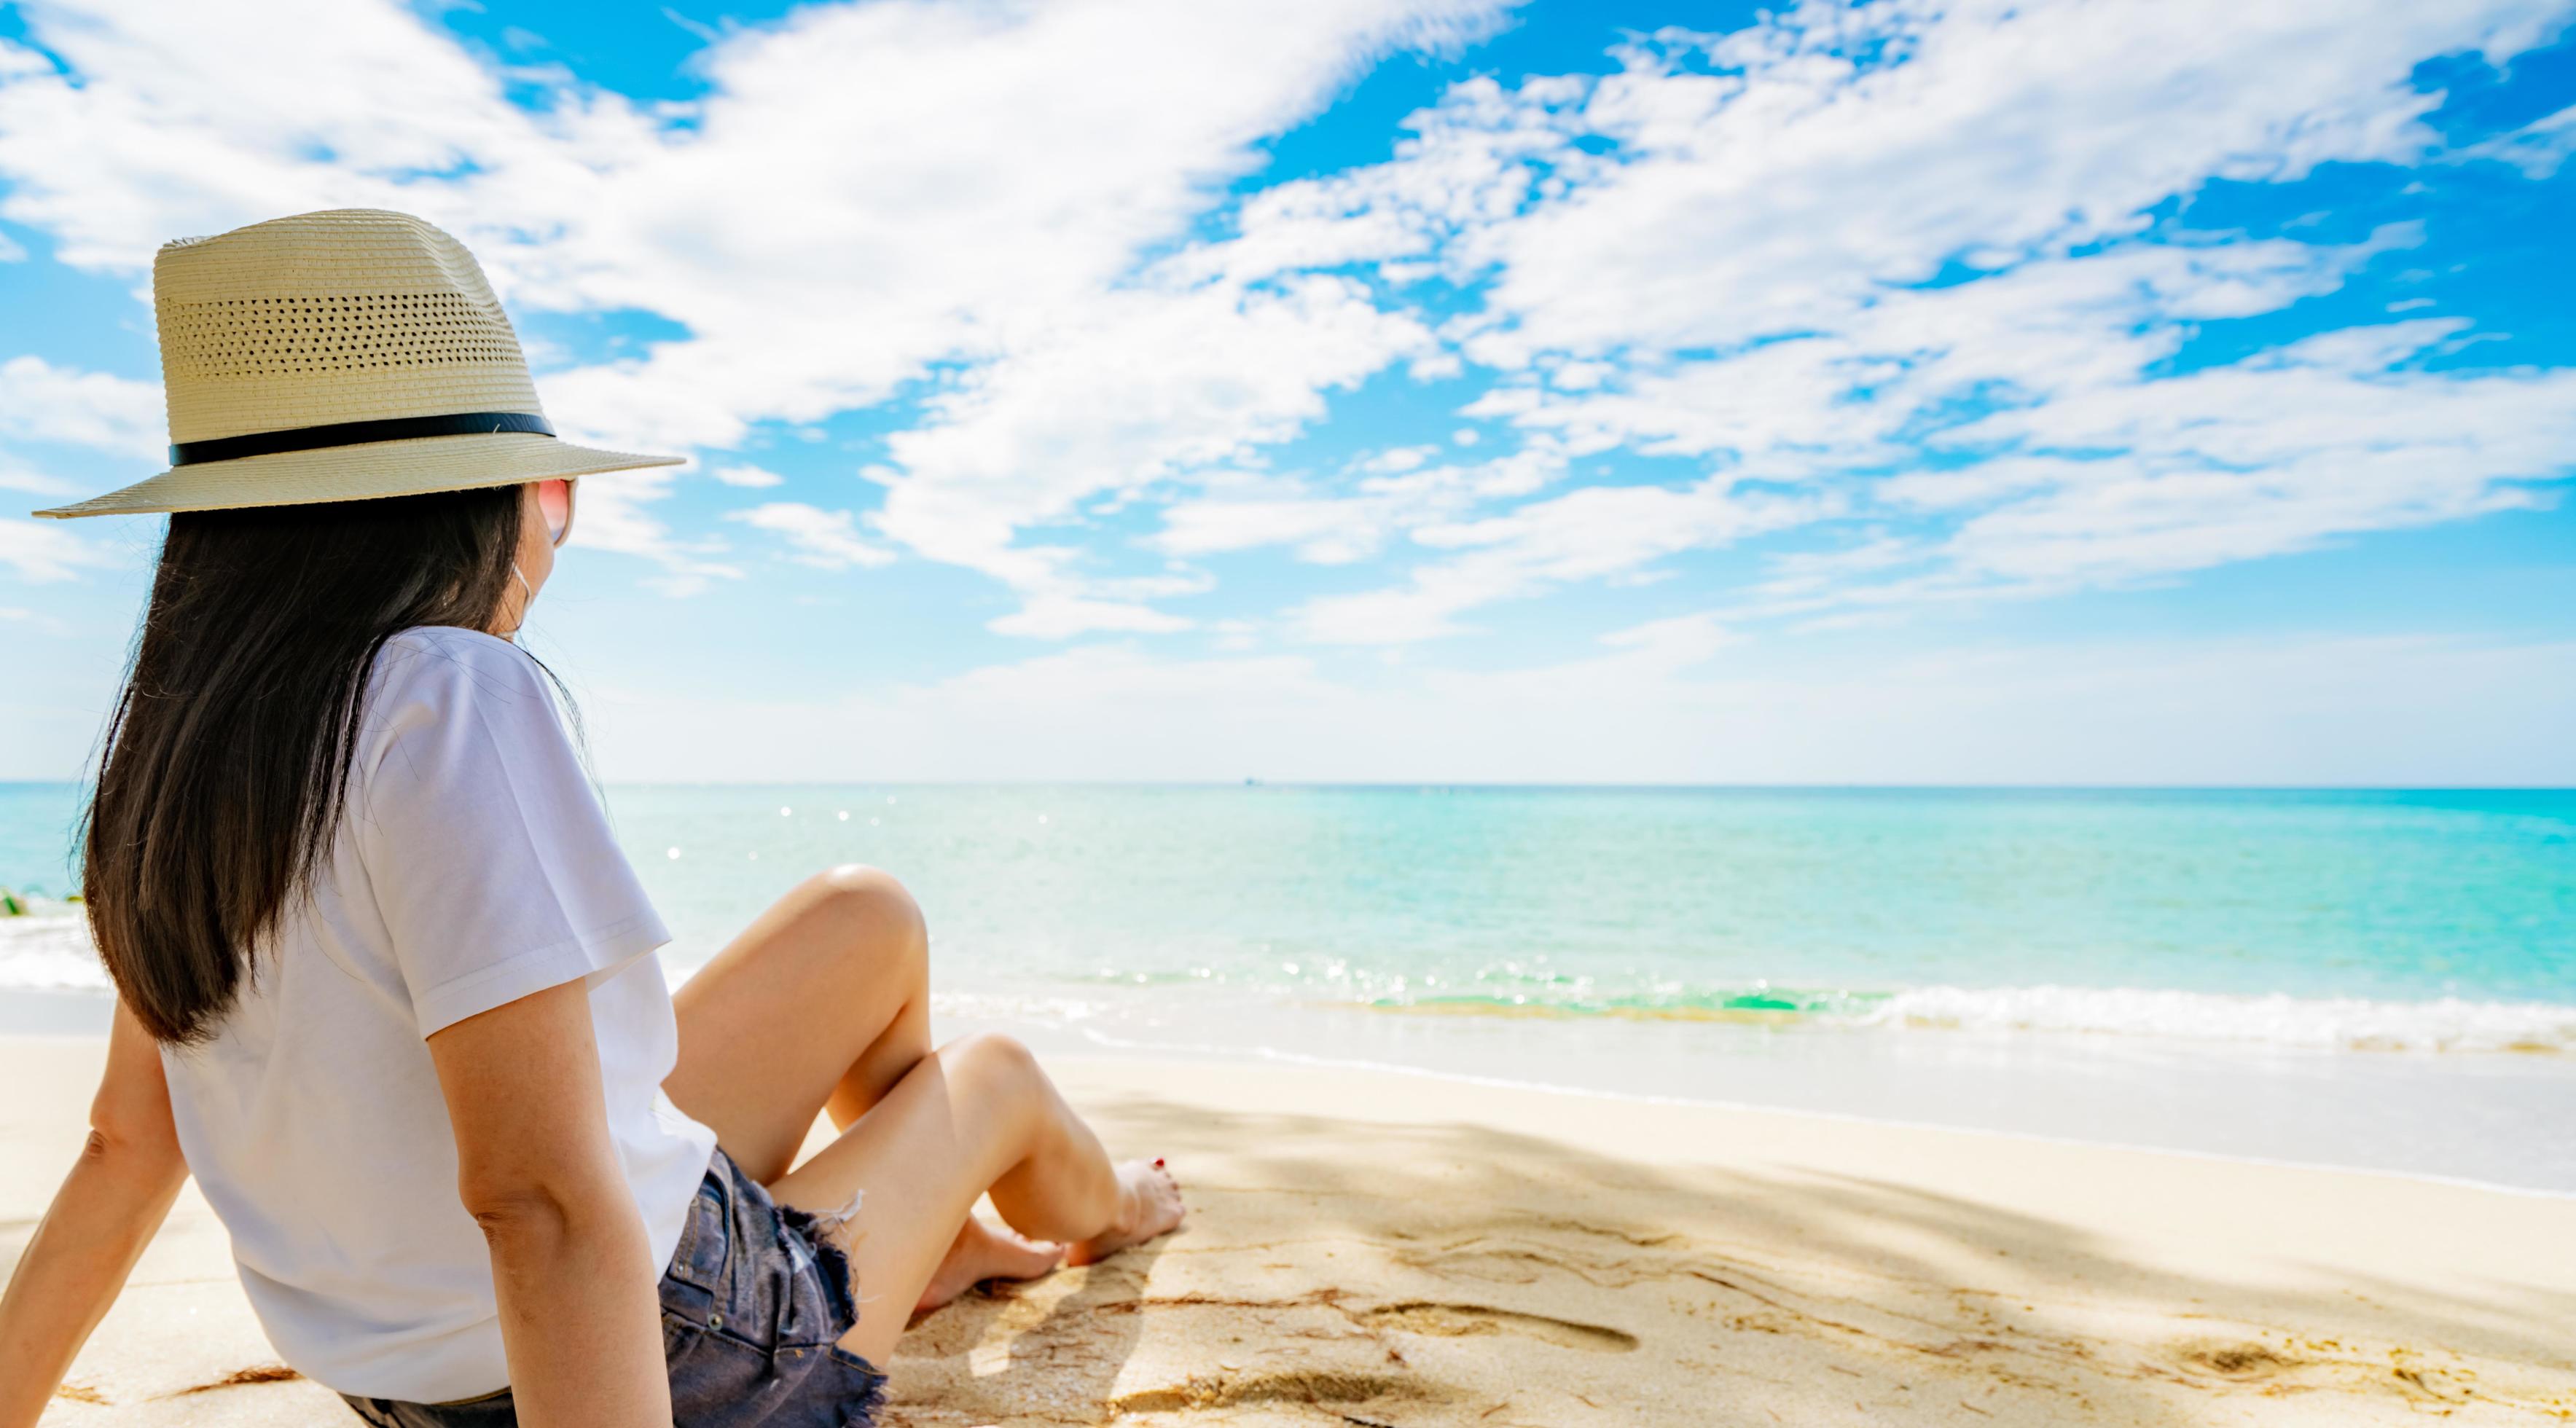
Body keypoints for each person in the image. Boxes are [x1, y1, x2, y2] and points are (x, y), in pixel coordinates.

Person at [0, 209, 1182, 1427]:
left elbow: (123, 1149)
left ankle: (932, 1241)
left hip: (413, 1379)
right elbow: (543, 1206)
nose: (549, 542)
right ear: (456, 506)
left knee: (866, 915)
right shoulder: (447, 692)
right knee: (993, 1079)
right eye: (548, 496)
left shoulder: (179, 755)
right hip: (669, 1353)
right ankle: (1118, 1213)